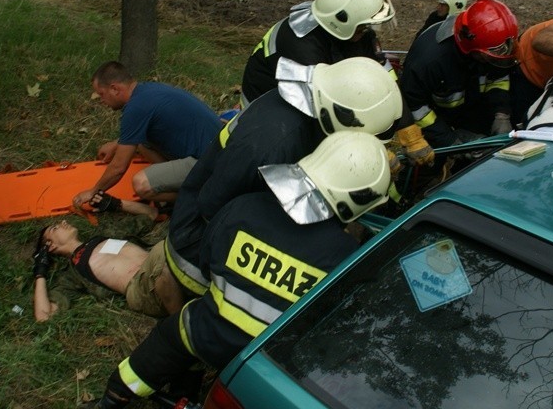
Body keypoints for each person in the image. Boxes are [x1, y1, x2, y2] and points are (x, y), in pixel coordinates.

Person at [76, 131, 392, 409]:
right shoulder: (348, 259)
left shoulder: (246, 208)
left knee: (165, 343)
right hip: (267, 368)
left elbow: (208, 262)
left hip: (207, 333)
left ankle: (105, 408)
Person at [164, 56, 402, 298]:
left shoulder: (303, 108)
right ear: (341, 115)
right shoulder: (271, 145)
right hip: (196, 249)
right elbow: (212, 207)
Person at [241, 0, 434, 167]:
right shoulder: (301, 45)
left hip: (313, 109)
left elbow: (384, 81)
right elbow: (325, 115)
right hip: (273, 117)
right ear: (341, 19)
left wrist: (409, 130)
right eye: (363, 26)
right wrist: (369, 154)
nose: (367, 31)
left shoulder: (353, 33)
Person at [72, 61, 221, 209]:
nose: (101, 101)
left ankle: (200, 196)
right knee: (143, 145)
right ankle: (179, 182)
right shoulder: (146, 91)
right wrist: (118, 144)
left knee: (141, 184)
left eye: (102, 95)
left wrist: (94, 191)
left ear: (115, 89)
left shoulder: (135, 108)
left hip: (210, 162)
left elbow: (118, 167)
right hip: (218, 148)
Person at [400, 0, 518, 149]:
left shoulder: (493, 47)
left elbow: (498, 78)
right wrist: (449, 140)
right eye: (490, 56)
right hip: (435, 124)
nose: (495, 59)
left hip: (472, 111)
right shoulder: (428, 61)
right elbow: (415, 106)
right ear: (471, 46)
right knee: (429, 166)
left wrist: (502, 114)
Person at [32, 211, 183, 321]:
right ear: (49, 246)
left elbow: (150, 214)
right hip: (143, 288)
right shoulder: (72, 274)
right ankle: (180, 326)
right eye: (55, 228)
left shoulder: (105, 235)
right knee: (164, 251)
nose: (63, 222)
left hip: (162, 263)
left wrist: (115, 204)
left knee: (176, 243)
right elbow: (44, 316)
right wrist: (40, 272)